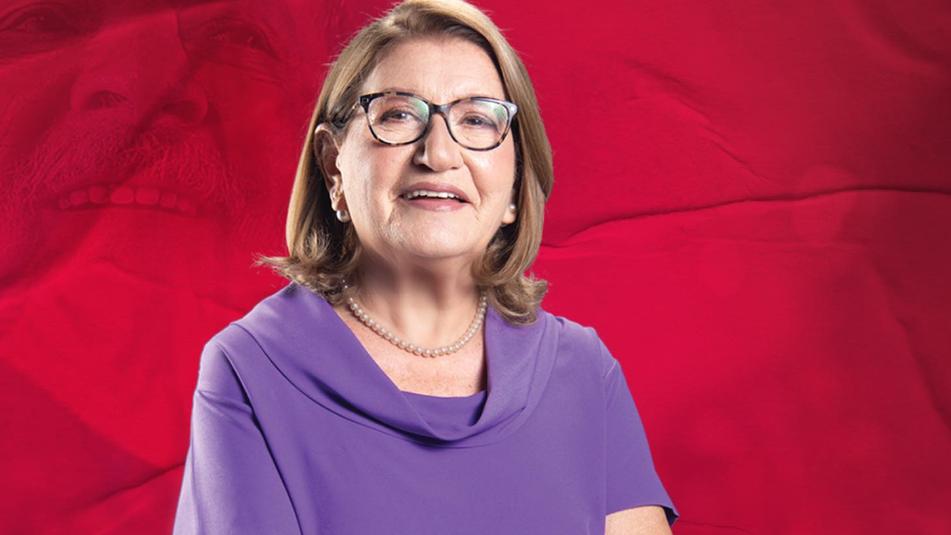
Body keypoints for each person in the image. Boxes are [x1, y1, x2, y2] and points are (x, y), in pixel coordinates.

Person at [172, 0, 679, 533]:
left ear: (514, 185)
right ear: (333, 167)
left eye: (477, 119)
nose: (438, 154)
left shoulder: (584, 373)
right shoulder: (251, 368)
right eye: (397, 115)